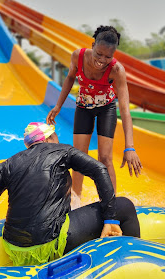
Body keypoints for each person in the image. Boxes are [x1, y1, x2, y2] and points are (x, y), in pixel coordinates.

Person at [0, 122, 140, 266]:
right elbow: (100, 170)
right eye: (55, 136)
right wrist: (110, 220)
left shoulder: (7, 164)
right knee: (124, 205)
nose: (57, 140)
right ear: (48, 139)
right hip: (52, 242)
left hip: (14, 248)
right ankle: (135, 263)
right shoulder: (61, 150)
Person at [46, 25, 142, 203]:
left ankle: (110, 203)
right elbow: (69, 77)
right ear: (92, 45)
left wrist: (130, 147)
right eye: (99, 54)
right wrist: (58, 105)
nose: (102, 60)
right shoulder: (78, 56)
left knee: (105, 158)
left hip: (106, 109)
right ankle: (76, 200)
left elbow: (125, 110)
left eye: (108, 56)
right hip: (83, 107)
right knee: (79, 156)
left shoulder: (117, 70)